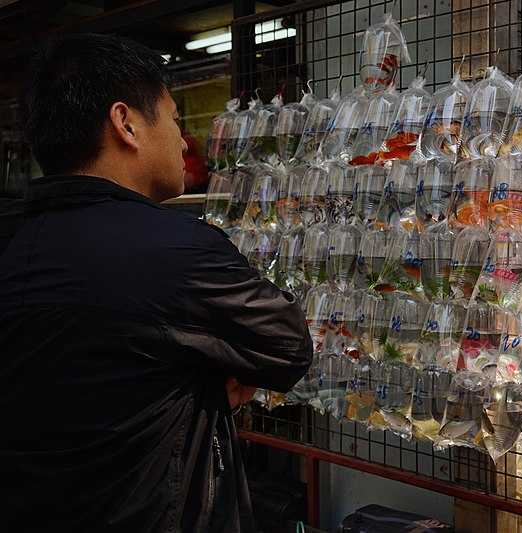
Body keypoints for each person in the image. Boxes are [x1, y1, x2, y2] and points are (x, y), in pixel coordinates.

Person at [0, 33, 312, 532]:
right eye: (171, 117)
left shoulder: (12, 241)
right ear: (125, 123)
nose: (183, 139)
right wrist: (207, 378)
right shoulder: (178, 250)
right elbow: (288, 347)